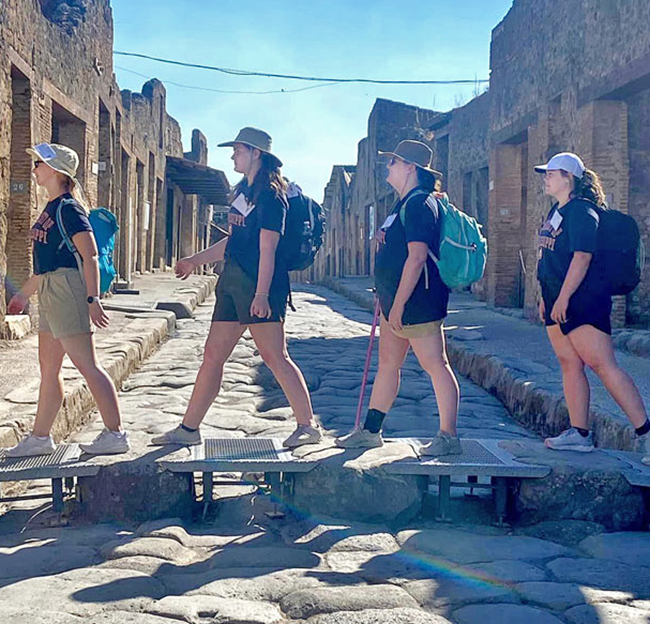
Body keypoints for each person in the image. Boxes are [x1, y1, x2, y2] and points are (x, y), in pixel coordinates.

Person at [152, 127, 321, 449]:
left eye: (239, 150)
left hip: (260, 285)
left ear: (257, 153)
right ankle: (189, 428)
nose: (232, 155)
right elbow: (234, 240)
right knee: (213, 355)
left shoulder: (272, 196)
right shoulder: (244, 191)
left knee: (275, 357)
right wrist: (194, 260)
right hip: (232, 282)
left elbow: (268, 248)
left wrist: (261, 295)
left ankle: (307, 425)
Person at [337, 140, 461, 456]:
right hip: (395, 302)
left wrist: (401, 304)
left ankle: (448, 437)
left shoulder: (420, 204)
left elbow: (417, 257)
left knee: (436, 365)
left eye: (392, 162)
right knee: (388, 365)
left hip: (417, 303)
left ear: (410, 167)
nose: (387, 167)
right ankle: (371, 431)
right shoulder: (403, 203)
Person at [6, 143, 129, 457]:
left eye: (40, 163)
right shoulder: (50, 207)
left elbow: (88, 255)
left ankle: (116, 434)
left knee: (88, 365)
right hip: (50, 288)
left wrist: (93, 298)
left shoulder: (69, 208)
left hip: (68, 290)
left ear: (57, 171)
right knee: (49, 368)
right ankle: (40, 437)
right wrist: (23, 295)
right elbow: (46, 264)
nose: (35, 168)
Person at [535, 152, 649, 463]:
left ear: (568, 178)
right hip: (558, 302)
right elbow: (549, 256)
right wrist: (546, 296)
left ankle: (647, 434)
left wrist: (563, 298)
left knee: (603, 365)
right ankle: (579, 434)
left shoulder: (582, 212)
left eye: (551, 173)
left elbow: (582, 256)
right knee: (569, 364)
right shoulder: (556, 212)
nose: (545, 177)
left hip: (582, 302)